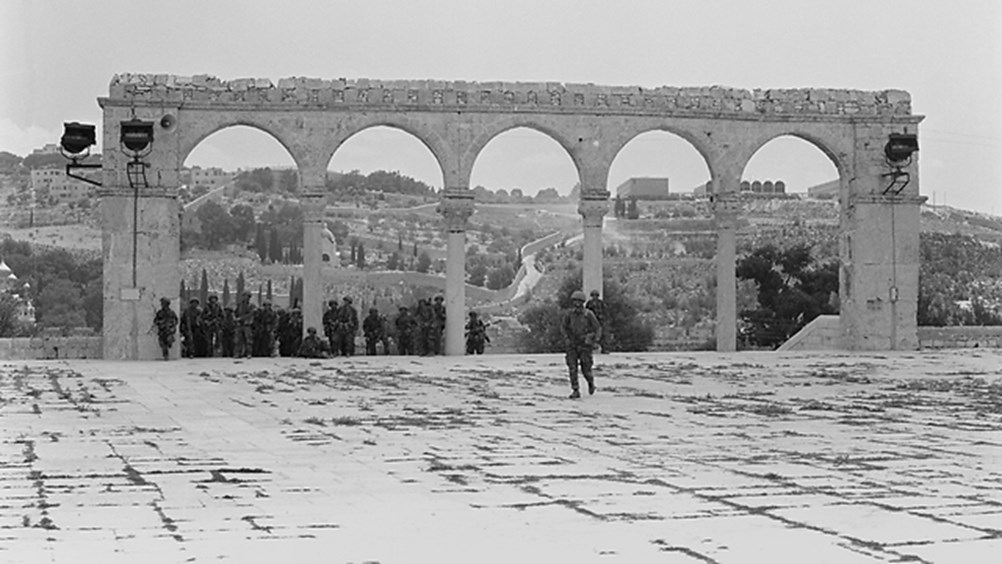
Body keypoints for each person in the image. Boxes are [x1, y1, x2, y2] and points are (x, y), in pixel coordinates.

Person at [561, 290, 601, 399]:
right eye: (575, 301)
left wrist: (595, 340)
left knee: (586, 369)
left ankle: (591, 383)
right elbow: (564, 327)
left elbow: (597, 328)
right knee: (572, 368)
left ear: (582, 302)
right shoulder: (569, 314)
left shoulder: (588, 314)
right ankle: (575, 390)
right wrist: (567, 338)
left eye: (579, 301)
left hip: (585, 344)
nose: (577, 304)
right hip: (572, 344)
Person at [234, 292, 255, 358]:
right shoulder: (239, 305)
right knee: (238, 340)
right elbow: (235, 312)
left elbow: (250, 314)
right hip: (239, 325)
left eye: (247, 296)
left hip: (247, 324)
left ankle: (248, 353)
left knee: (248, 340)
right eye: (244, 296)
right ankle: (238, 353)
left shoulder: (251, 305)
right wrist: (235, 318)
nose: (245, 298)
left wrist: (240, 318)